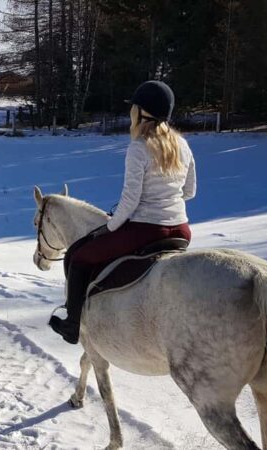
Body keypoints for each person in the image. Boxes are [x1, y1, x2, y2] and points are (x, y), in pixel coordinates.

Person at [49, 80, 197, 344]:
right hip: (181, 229)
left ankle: (72, 325)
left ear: (142, 113)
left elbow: (130, 201)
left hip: (146, 230)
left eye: (135, 108)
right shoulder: (182, 145)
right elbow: (190, 192)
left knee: (79, 256)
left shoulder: (139, 147)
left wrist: (110, 226)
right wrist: (167, 200)